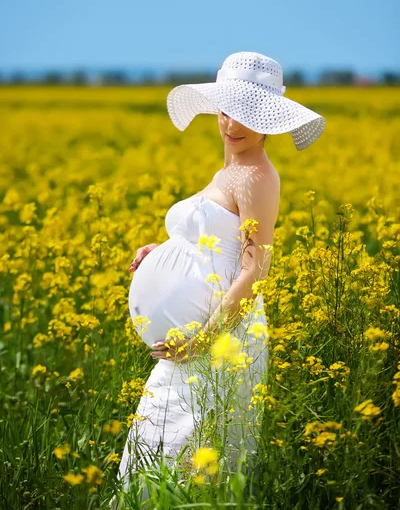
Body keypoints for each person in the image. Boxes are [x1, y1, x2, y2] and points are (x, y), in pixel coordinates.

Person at [111, 51, 326, 507]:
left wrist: (204, 340)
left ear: (269, 120)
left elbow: (255, 269)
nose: (231, 124)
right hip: (196, 340)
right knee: (166, 443)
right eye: (226, 110)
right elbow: (218, 240)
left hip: (217, 337)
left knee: (190, 450)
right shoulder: (230, 171)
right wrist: (161, 252)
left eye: (246, 114)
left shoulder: (256, 178)